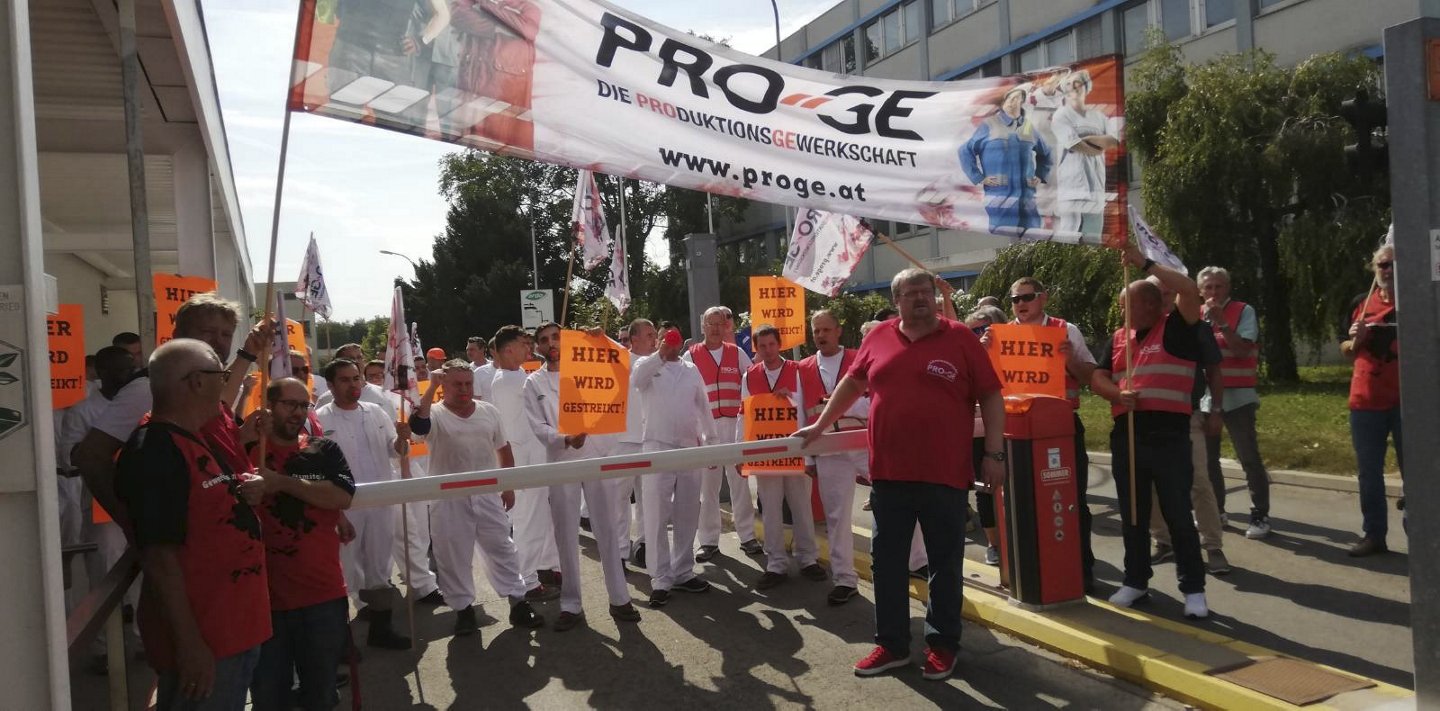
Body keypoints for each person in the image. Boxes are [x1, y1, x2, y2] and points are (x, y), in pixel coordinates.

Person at [796, 268, 1005, 681]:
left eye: (925, 291)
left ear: (934, 296)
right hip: (890, 473)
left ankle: (942, 644)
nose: (920, 299)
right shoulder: (878, 338)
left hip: (944, 472)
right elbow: (852, 386)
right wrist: (821, 425)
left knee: (944, 562)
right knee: (886, 562)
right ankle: (892, 645)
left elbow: (991, 395)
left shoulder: (960, 337)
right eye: (910, 293)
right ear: (897, 301)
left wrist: (995, 453)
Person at [114, 339, 270, 710]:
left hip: (234, 632)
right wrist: (190, 645)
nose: (226, 381)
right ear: (197, 382)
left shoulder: (196, 436)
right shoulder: (155, 450)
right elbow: (160, 558)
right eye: (221, 374)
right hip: (207, 643)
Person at [74, 293, 271, 522]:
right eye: (207, 332)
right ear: (178, 335)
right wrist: (131, 521)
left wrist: (242, 435)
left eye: (226, 334)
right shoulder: (147, 388)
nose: (218, 341)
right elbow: (90, 455)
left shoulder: (209, 388)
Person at [1090, 245, 1210, 620]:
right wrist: (1115, 393)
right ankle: (1136, 580)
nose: (1123, 311)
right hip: (1128, 434)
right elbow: (1097, 376)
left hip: (1170, 435)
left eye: (1129, 304)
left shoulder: (1178, 327)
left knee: (1177, 512)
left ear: (1151, 305)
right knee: (1134, 514)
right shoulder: (1119, 337)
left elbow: (1190, 290)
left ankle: (1193, 588)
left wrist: (1143, 263)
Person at [409, 361, 547, 635]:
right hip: (448, 499)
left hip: (487, 495)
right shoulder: (434, 414)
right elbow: (418, 426)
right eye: (456, 384)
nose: (463, 389)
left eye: (468, 384)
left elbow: (503, 448)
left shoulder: (488, 412)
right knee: (453, 556)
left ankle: (518, 603)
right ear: (444, 386)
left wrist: (507, 485)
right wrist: (432, 385)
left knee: (502, 548)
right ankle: (464, 610)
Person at [248, 378, 354, 711]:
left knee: (321, 692)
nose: (297, 412)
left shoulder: (323, 450)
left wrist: (281, 483)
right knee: (269, 694)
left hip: (322, 594)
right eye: (288, 404)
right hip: (264, 599)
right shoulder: (249, 451)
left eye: (303, 405)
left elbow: (342, 495)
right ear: (268, 406)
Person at [524, 327, 640, 628]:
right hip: (561, 462)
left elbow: (623, 362)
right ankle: (571, 604)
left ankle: (619, 598)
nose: (552, 344)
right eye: (545, 340)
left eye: (556, 337)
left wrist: (602, 339)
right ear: (538, 347)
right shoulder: (533, 382)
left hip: (596, 458)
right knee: (565, 535)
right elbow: (537, 427)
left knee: (608, 530)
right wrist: (563, 439)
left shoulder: (589, 367)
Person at [996, 277, 1099, 589]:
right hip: (1017, 431)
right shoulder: (1002, 337)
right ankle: (1024, 569)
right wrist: (986, 351)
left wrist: (1069, 360)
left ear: (1044, 298)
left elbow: (1089, 377)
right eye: (1015, 299)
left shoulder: (1065, 331)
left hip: (1059, 430)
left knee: (1071, 501)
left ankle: (1081, 569)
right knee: (1018, 501)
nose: (1021, 304)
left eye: (1027, 297)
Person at [314, 358, 412, 649]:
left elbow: (396, 451)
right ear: (330, 385)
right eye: (344, 380)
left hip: (380, 501)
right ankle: (341, 640)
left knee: (380, 566)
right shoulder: (319, 420)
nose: (353, 384)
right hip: (344, 507)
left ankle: (381, 630)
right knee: (344, 571)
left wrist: (402, 441)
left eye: (356, 378)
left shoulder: (376, 413)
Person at [1147, 276, 1230, 576]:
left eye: (1170, 293)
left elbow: (1214, 372)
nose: (1166, 299)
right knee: (1152, 484)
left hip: (1187, 416)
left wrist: (1216, 410)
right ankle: (1163, 541)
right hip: (1147, 420)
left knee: (1198, 482)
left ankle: (1212, 545)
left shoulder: (1197, 328)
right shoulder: (1137, 330)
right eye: (1159, 294)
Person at [635, 324, 716, 608]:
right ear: (657, 341)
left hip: (689, 449)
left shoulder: (691, 370)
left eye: (674, 340)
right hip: (657, 447)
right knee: (657, 514)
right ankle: (660, 578)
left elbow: (704, 407)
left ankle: (682, 571)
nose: (670, 343)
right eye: (664, 338)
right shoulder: (647, 365)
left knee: (687, 511)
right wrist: (660, 353)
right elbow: (636, 380)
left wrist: (712, 444)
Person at [740, 324, 825, 591]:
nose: (767, 350)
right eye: (762, 346)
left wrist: (792, 397)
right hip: (765, 453)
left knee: (801, 505)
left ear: (780, 344)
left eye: (771, 344)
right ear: (757, 348)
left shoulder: (798, 370)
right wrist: (740, 451)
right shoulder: (749, 376)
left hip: (796, 449)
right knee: (771, 509)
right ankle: (776, 562)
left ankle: (808, 558)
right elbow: (744, 415)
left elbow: (811, 404)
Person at [797, 311, 870, 605]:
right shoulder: (804, 367)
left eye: (826, 329)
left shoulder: (859, 357)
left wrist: (843, 409)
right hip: (827, 448)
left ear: (839, 331)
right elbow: (802, 412)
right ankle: (844, 578)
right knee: (836, 518)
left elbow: (874, 399)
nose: (821, 335)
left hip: (863, 441)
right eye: (816, 331)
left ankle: (916, 561)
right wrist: (809, 459)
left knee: (898, 500)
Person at [1197, 266, 1272, 540]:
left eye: (1218, 286)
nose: (1213, 292)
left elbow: (1242, 350)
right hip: (1207, 399)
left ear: (1227, 288)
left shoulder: (1243, 311)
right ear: (1200, 291)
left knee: (1248, 457)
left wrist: (1223, 323)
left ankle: (1260, 514)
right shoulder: (1196, 315)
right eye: (1208, 287)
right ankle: (1217, 510)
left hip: (1239, 396)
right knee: (1208, 459)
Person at [686, 305, 761, 562]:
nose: (716, 328)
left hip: (735, 427)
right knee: (708, 489)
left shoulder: (736, 352)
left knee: (740, 483)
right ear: (703, 327)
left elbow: (753, 381)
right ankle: (708, 541)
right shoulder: (691, 356)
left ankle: (748, 536)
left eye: (720, 323)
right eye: (711, 323)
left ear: (725, 326)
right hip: (707, 430)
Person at [1341, 244, 1401, 557]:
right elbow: (1346, 350)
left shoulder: (1418, 300)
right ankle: (1374, 534)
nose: (1387, 271)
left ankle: (1420, 532)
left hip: (1409, 401)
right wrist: (1356, 340)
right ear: (1373, 269)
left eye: (1392, 264)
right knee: (1369, 472)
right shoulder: (1360, 304)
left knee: (1417, 470)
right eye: (1382, 265)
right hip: (1366, 401)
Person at [960, 85, 1052, 237]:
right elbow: (965, 151)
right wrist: (979, 177)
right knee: (1004, 241)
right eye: (1010, 98)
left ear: (1022, 101)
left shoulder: (1028, 127)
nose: (1012, 102)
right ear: (1003, 101)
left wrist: (1040, 174)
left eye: (1016, 98)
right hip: (1000, 197)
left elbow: (1046, 153)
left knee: (1033, 239)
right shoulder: (989, 124)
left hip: (1026, 198)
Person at [390, 357, 444, 607]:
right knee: (404, 532)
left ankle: (420, 577)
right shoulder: (384, 401)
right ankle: (415, 583)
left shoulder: (413, 398)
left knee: (420, 530)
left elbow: (421, 430)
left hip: (420, 468)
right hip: (391, 477)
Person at [450, 0, 540, 150]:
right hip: (472, 82)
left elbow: (528, 30)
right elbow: (455, 15)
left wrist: (485, 6)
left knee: (501, 141)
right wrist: (501, 26)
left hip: (504, 88)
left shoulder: (528, 7)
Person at [1050, 70, 1120, 238]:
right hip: (1072, 190)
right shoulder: (1061, 115)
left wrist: (1088, 139)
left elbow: (1113, 141)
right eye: (1069, 84)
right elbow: (1073, 143)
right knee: (1070, 240)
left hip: (1096, 188)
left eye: (1078, 83)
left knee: (1094, 241)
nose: (1073, 87)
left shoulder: (1099, 117)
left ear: (1086, 86)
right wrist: (1097, 147)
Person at [613, 318, 658, 570]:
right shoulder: (619, 360)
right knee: (620, 500)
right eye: (649, 335)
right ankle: (620, 551)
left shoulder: (658, 363)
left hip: (650, 439)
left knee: (648, 498)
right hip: (624, 440)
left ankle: (644, 545)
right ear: (634, 339)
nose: (654, 339)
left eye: (654, 334)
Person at [316, 344, 397, 420]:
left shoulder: (384, 394)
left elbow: (393, 425)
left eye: (359, 357)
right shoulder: (326, 400)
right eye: (350, 358)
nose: (356, 361)